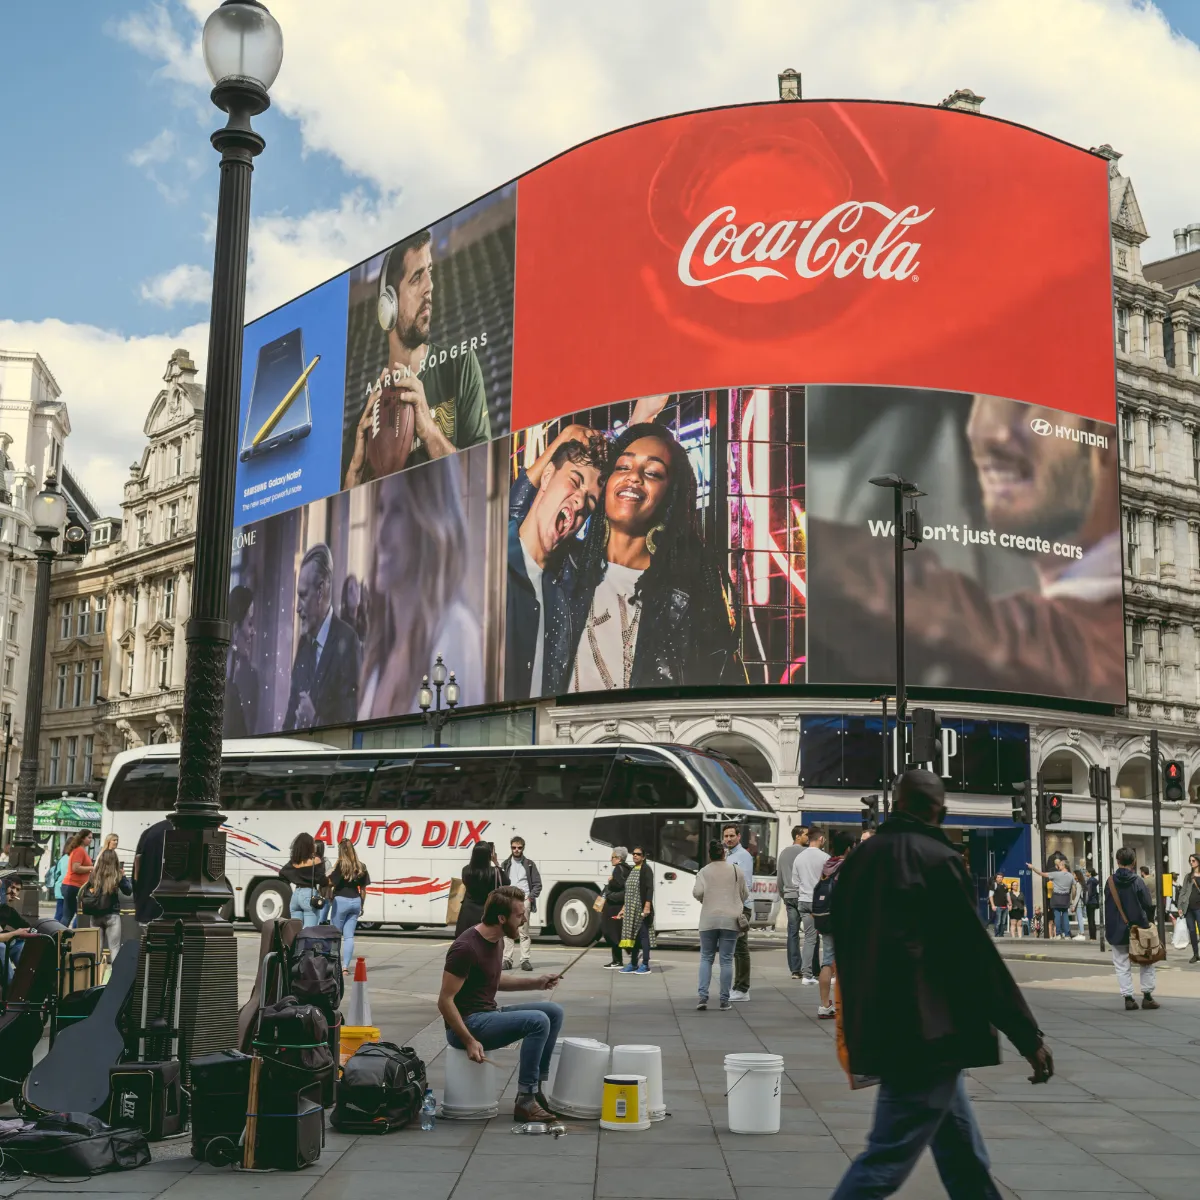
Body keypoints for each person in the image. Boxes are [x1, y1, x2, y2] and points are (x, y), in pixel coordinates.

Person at [809, 392, 1122, 703]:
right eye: (979, 400)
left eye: (1027, 400)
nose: (984, 430)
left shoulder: (1117, 631)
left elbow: (1042, 649)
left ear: (1106, 435)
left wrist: (790, 541)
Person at [830, 769, 1052, 1199]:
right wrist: (1027, 1036)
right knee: (886, 1159)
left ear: (894, 805)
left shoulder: (860, 861)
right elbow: (974, 957)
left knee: (961, 1154)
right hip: (928, 1034)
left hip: (883, 1025)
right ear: (942, 811)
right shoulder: (938, 859)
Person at [566, 422, 744, 692]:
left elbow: (724, 684)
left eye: (653, 472)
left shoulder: (686, 588)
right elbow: (512, 533)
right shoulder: (567, 567)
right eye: (623, 467)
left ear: (670, 497)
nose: (634, 477)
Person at [344, 229, 491, 490]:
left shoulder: (460, 366)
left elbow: (482, 483)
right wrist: (354, 477)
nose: (430, 287)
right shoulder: (362, 422)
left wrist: (430, 433)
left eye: (430, 273)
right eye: (416, 278)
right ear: (388, 306)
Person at [357, 458, 484, 720]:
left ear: (427, 520)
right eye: (381, 509)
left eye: (398, 510)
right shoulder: (380, 654)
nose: (380, 535)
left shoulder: (456, 634)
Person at [438, 884, 563, 1123]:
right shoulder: (465, 948)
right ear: (502, 918)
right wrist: (469, 1040)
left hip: (487, 1014)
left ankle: (535, 1089)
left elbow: (493, 980)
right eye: (519, 915)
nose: (524, 919)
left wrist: (537, 982)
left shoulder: (497, 940)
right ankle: (525, 1099)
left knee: (553, 1011)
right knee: (537, 1021)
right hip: (467, 1025)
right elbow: (445, 1001)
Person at [505, 426, 605, 700]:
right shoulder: (491, 562)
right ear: (547, 476)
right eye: (574, 481)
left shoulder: (570, 586)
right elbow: (510, 511)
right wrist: (563, 438)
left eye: (591, 502)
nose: (581, 501)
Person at [283, 544, 360, 731]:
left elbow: (351, 725)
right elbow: (289, 716)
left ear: (320, 591)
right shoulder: (303, 645)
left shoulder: (348, 641)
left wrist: (315, 721)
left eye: (303, 595)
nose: (297, 608)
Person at [693, 839, 748, 1011]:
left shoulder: (703, 871)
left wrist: (706, 899)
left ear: (710, 854)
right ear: (724, 853)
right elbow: (745, 894)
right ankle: (724, 1000)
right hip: (730, 920)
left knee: (706, 958)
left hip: (709, 918)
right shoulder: (735, 870)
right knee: (726, 960)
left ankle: (703, 997)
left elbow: (698, 892)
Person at [1105, 846, 1160, 1010]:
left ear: (1117, 861)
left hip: (1117, 929)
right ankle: (1148, 997)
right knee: (1147, 961)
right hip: (1139, 928)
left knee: (1121, 964)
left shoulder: (1110, 882)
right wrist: (1148, 922)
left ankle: (1128, 998)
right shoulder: (1137, 881)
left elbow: (1108, 906)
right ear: (1134, 862)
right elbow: (1148, 904)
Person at [816, 829, 855, 1019]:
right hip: (843, 920)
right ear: (849, 848)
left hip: (826, 917)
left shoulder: (828, 865)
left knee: (827, 961)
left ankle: (825, 1005)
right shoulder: (848, 866)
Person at [721, 823, 754, 1002]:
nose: (728, 839)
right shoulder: (727, 855)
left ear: (739, 836)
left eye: (732, 835)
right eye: (726, 836)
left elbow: (746, 885)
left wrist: (738, 907)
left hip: (741, 906)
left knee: (741, 948)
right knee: (734, 949)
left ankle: (742, 989)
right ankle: (738, 986)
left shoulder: (743, 856)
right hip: (730, 905)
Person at [500, 837, 543, 972]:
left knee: (524, 931)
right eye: (514, 847)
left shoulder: (529, 864)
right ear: (511, 848)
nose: (516, 850)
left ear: (523, 848)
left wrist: (530, 899)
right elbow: (501, 883)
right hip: (509, 900)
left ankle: (525, 960)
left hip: (524, 901)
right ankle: (507, 960)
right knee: (508, 931)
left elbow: (537, 884)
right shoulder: (506, 864)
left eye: (519, 847)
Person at [79, 849, 131, 958]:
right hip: (112, 915)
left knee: (97, 949)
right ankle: (116, 974)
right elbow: (128, 891)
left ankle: (95, 974)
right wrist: (124, 876)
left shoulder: (94, 874)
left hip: (95, 915)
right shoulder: (117, 875)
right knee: (114, 948)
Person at [793, 827, 829, 986]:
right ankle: (828, 970)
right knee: (827, 937)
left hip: (803, 900)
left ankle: (806, 974)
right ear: (821, 839)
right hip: (819, 903)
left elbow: (795, 882)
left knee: (809, 939)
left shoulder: (799, 858)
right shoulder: (825, 858)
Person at [224, 585, 261, 738]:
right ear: (235, 630)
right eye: (250, 623)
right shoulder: (226, 687)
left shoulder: (251, 679)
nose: (253, 632)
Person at [329, 838, 370, 973]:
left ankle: (334, 965)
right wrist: (361, 905)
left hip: (340, 900)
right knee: (349, 936)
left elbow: (330, 883)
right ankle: (345, 967)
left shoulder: (340, 866)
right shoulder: (361, 866)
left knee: (335, 935)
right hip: (355, 901)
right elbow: (363, 889)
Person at [455, 842, 508, 936]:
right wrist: (496, 863)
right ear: (489, 855)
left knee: (467, 942)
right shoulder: (494, 872)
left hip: (467, 913)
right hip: (486, 912)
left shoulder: (466, 870)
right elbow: (506, 881)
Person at [776, 826, 808, 979]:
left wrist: (784, 895)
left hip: (789, 895)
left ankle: (795, 970)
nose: (808, 837)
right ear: (798, 836)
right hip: (803, 896)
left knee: (792, 933)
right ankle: (811, 968)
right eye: (806, 835)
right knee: (810, 933)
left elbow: (779, 878)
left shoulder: (783, 853)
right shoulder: (805, 853)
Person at [618, 846, 655, 974]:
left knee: (644, 936)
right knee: (634, 938)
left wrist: (647, 906)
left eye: (638, 854)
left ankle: (645, 964)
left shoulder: (646, 870)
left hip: (641, 909)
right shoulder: (633, 869)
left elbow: (650, 889)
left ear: (643, 857)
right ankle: (633, 963)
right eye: (633, 854)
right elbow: (628, 891)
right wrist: (624, 908)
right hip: (630, 910)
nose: (635, 856)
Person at [279, 833, 327, 929]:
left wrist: (296, 880)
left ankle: (295, 944)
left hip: (296, 895)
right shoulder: (316, 860)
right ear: (309, 846)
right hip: (309, 894)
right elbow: (322, 880)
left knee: (295, 930)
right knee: (309, 931)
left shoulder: (294, 861)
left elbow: (282, 873)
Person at [133, 818, 172, 925]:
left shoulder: (150, 831)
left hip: (146, 905)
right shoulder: (181, 831)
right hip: (171, 911)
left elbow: (137, 872)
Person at [0, 875, 36, 984]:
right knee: (1, 946)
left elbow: (27, 926)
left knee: (19, 944)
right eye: (12, 887)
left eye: (17, 890)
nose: (14, 892)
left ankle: (26, 984)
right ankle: (10, 987)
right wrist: (15, 933)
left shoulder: (7, 910)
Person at [1027, 856, 1074, 937]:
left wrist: (1033, 867)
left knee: (1057, 915)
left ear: (1063, 866)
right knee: (1065, 915)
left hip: (1056, 896)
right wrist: (1073, 899)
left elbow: (1041, 873)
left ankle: (1058, 934)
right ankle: (1067, 934)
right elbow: (1074, 888)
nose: (1058, 866)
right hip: (1066, 896)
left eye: (1060, 864)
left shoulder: (1056, 874)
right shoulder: (1071, 876)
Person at [599, 848, 630, 969]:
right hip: (620, 904)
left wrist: (611, 882)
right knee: (618, 932)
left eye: (612, 857)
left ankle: (618, 960)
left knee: (609, 931)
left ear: (618, 858)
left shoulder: (618, 869)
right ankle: (621, 958)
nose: (610, 859)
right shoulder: (628, 868)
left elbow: (620, 885)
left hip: (614, 905)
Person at [60, 829, 94, 928]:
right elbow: (76, 868)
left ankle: (61, 937)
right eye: (89, 837)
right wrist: (92, 868)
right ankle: (71, 935)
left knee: (69, 915)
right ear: (83, 838)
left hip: (72, 886)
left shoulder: (80, 850)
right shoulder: (79, 850)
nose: (91, 840)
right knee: (80, 914)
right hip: (74, 886)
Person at [1179, 854, 1200, 964]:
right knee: (1192, 931)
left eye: (1193, 861)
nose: (1191, 863)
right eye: (1190, 861)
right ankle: (1195, 954)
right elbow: (1183, 892)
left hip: (1199, 908)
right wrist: (1180, 907)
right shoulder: (1188, 876)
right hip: (1188, 908)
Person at [339, 574, 369, 645]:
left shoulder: (364, 620)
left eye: (356, 586)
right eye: (350, 590)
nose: (354, 593)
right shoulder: (343, 626)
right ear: (346, 597)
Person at [989, 873, 1009, 938]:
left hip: (1005, 907)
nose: (1000, 878)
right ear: (996, 878)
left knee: (1003, 922)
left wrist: (1009, 904)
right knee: (998, 922)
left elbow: (1007, 896)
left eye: (1001, 877)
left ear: (1003, 878)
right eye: (998, 877)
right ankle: (997, 935)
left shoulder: (1005, 886)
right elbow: (990, 896)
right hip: (997, 907)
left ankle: (1001, 935)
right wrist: (993, 905)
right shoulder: (994, 885)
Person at [1085, 867, 1101, 941]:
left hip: (1090, 902)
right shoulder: (1094, 880)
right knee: (1092, 919)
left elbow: (1089, 892)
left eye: (1087, 872)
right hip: (1094, 901)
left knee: (1090, 919)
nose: (1085, 873)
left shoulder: (1090, 881)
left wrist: (1086, 900)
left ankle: (1092, 936)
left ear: (1090, 873)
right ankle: (1093, 936)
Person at [1071, 869, 1087, 940]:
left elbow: (1077, 895)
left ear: (1077, 876)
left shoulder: (1078, 884)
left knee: (1079, 918)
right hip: (1081, 902)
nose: (1073, 875)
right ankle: (1081, 932)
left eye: (1074, 874)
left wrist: (1073, 905)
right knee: (1079, 917)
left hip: (1079, 903)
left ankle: (1082, 933)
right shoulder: (1081, 883)